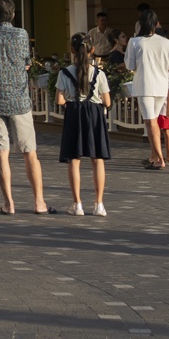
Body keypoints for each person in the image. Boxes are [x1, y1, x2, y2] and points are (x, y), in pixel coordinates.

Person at [0, 0, 47, 214]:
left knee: (1, 151)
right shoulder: (21, 34)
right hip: (19, 100)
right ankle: (39, 203)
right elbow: (26, 63)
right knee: (30, 152)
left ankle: (9, 203)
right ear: (13, 14)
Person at [56, 32, 111, 216]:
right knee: (97, 159)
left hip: (74, 113)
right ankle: (99, 204)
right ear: (92, 50)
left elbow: (59, 100)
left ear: (72, 50)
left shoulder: (64, 73)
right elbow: (107, 101)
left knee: (74, 159)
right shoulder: (99, 73)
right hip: (94, 114)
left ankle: (77, 204)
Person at [125, 12, 169, 171]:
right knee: (151, 122)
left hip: (144, 85)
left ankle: (159, 159)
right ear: (156, 24)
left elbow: (129, 65)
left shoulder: (134, 42)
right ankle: (155, 156)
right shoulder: (165, 42)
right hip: (161, 86)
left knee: (150, 122)